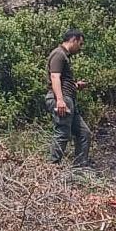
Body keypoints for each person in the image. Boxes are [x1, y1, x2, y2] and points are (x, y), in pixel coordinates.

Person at [46, 29, 90, 170]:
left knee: (84, 133)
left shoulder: (65, 56)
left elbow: (63, 80)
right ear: (73, 40)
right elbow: (55, 77)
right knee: (63, 133)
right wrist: (59, 100)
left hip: (67, 98)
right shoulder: (58, 54)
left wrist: (76, 85)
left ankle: (79, 169)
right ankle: (52, 168)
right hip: (62, 99)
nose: (80, 48)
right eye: (80, 44)